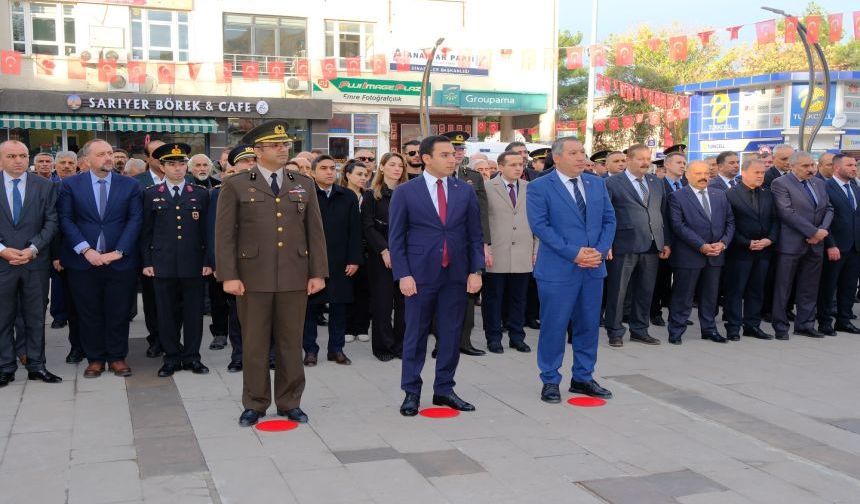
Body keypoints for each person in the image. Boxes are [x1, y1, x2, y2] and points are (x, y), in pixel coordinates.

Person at [215, 120, 328, 427]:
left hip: (294, 274)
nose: (283, 149)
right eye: (275, 145)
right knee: (254, 343)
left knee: (292, 343)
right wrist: (229, 275)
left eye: (285, 145)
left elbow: (314, 232)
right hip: (252, 277)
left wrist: (318, 272)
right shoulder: (236, 183)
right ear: (258, 150)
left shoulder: (302, 183)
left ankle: (290, 402)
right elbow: (224, 235)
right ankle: (255, 403)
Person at [389, 135, 484, 416]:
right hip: (419, 276)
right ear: (425, 158)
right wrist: (403, 274)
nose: (452, 159)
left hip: (455, 274)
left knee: (451, 333)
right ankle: (411, 391)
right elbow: (396, 238)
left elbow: (474, 235)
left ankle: (444, 388)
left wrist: (475, 270)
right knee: (415, 334)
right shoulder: (406, 192)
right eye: (444, 154)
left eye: (453, 154)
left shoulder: (463, 190)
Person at [527, 137, 616, 403]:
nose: (581, 157)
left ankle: (583, 377)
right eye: (574, 153)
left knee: (588, 326)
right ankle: (551, 380)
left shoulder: (596, 183)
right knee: (554, 326)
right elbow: (541, 227)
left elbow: (609, 220)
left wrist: (598, 251)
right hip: (558, 270)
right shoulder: (540, 187)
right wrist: (574, 253)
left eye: (582, 152)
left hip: (592, 268)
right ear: (557, 158)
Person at [57, 139, 143, 378]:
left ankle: (117, 357)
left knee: (119, 311)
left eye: (110, 153)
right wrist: (87, 250)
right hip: (84, 262)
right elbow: (66, 220)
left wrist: (118, 252)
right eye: (102, 154)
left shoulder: (130, 185)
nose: (108, 157)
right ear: (86, 160)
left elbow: (135, 220)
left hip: (120, 261)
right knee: (88, 312)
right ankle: (94, 358)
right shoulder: (71, 185)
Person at [141, 143, 211, 377]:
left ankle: (192, 357)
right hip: (163, 264)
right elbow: (146, 232)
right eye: (172, 164)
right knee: (166, 313)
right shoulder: (151, 194)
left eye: (181, 163)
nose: (178, 168)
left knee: (193, 313)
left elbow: (207, 232)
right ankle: (171, 357)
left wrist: (208, 261)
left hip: (193, 264)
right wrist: (147, 262)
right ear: (162, 167)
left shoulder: (200, 194)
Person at [0, 140, 61, 388]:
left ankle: (37, 365)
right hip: (3, 264)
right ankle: (5, 367)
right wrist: (3, 250)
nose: (18, 160)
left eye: (23, 155)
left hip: (34, 262)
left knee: (35, 317)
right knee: (3, 317)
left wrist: (33, 248)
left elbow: (52, 223)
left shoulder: (45, 186)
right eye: (12, 156)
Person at [604, 144, 671, 347]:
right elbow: (605, 215)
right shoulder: (612, 183)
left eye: (647, 158)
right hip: (624, 245)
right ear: (629, 160)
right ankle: (615, 331)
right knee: (618, 291)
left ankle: (639, 329)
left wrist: (665, 241)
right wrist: (606, 243)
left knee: (645, 290)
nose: (645, 162)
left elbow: (662, 213)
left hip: (652, 244)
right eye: (641, 158)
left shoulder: (656, 182)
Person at [302, 155, 362, 366]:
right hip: (311, 262)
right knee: (308, 309)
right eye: (324, 168)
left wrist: (354, 259)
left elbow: (355, 230)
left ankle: (336, 349)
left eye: (332, 168)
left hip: (341, 260)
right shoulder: (304, 195)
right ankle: (310, 349)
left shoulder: (347, 196)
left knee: (339, 307)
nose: (329, 172)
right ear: (312, 172)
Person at [667, 160, 734, 344]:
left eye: (706, 173)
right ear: (687, 175)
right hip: (689, 256)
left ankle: (709, 329)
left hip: (716, 255)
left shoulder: (720, 195)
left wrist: (723, 243)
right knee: (683, 295)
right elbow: (678, 226)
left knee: (710, 296)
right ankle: (676, 330)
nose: (703, 176)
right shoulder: (678, 197)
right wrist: (701, 245)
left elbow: (730, 222)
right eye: (698, 173)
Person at [770, 151, 833, 340]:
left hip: (816, 244)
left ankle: (805, 324)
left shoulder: (819, 183)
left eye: (812, 165)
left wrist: (821, 231)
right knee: (784, 287)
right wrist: (813, 232)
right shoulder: (780, 183)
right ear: (792, 166)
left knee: (809, 287)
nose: (811, 169)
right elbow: (786, 212)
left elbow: (828, 208)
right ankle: (780, 326)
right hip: (791, 244)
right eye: (805, 166)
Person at [482, 151, 536, 354]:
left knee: (519, 298)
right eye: (512, 164)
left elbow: (537, 221)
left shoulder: (530, 188)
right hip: (496, 251)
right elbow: (482, 220)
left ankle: (517, 337)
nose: (518, 168)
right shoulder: (487, 188)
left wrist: (535, 249)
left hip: (523, 251)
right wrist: (484, 246)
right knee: (494, 298)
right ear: (501, 167)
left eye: (520, 164)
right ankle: (494, 337)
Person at [443, 130, 491, 355]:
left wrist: (484, 243)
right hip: (440, 247)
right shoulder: (432, 178)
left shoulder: (472, 176)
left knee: (468, 296)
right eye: (454, 149)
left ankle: (464, 341)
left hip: (465, 246)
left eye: (461, 149)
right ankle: (443, 343)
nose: (458, 153)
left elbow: (481, 213)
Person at [208, 144, 254, 372]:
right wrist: (218, 264)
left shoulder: (272, 188)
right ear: (234, 165)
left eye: (253, 160)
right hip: (237, 262)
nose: (250, 164)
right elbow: (215, 231)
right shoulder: (221, 191)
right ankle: (239, 356)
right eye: (245, 161)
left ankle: (271, 354)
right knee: (237, 312)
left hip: (264, 262)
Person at [723, 158, 778, 340]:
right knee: (735, 291)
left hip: (763, 251)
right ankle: (733, 327)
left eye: (762, 173)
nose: (761, 176)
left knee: (757, 290)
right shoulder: (730, 195)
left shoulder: (768, 194)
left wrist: (769, 240)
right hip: (739, 252)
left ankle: (752, 326)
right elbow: (729, 224)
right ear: (744, 172)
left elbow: (775, 221)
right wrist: (746, 242)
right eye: (757, 172)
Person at [361, 152, 408, 361]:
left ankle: (402, 346)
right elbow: (368, 227)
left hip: (406, 255)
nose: (397, 169)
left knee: (405, 304)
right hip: (381, 256)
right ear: (382, 167)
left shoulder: (409, 192)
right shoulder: (371, 194)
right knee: (382, 303)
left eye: (400, 165)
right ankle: (383, 347)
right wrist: (384, 250)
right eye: (392, 164)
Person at [816, 154, 860, 335]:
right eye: (849, 165)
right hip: (835, 247)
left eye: (855, 165)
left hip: (855, 247)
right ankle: (825, 321)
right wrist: (830, 244)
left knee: (849, 286)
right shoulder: (826, 187)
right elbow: (824, 220)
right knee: (828, 286)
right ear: (836, 168)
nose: (854, 168)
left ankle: (844, 320)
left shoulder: (855, 187)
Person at [135, 139, 167, 358]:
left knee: (177, 301)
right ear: (147, 158)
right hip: (151, 252)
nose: (163, 158)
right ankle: (156, 339)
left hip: (178, 251)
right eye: (156, 154)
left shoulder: (187, 179)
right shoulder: (136, 183)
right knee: (153, 301)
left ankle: (173, 338)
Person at [651, 151, 688, 327]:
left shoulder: (687, 184)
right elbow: (658, 216)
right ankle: (654, 312)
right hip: (666, 239)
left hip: (685, 240)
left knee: (681, 280)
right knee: (661, 279)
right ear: (667, 165)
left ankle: (677, 313)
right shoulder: (658, 185)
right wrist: (664, 241)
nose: (682, 165)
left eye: (684, 162)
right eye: (678, 162)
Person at [339, 159, 371, 344]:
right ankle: (348, 327)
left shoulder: (369, 196)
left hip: (367, 250)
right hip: (346, 251)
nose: (363, 178)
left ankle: (362, 327)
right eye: (359, 174)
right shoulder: (340, 195)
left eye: (365, 175)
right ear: (347, 175)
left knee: (364, 291)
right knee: (347, 290)